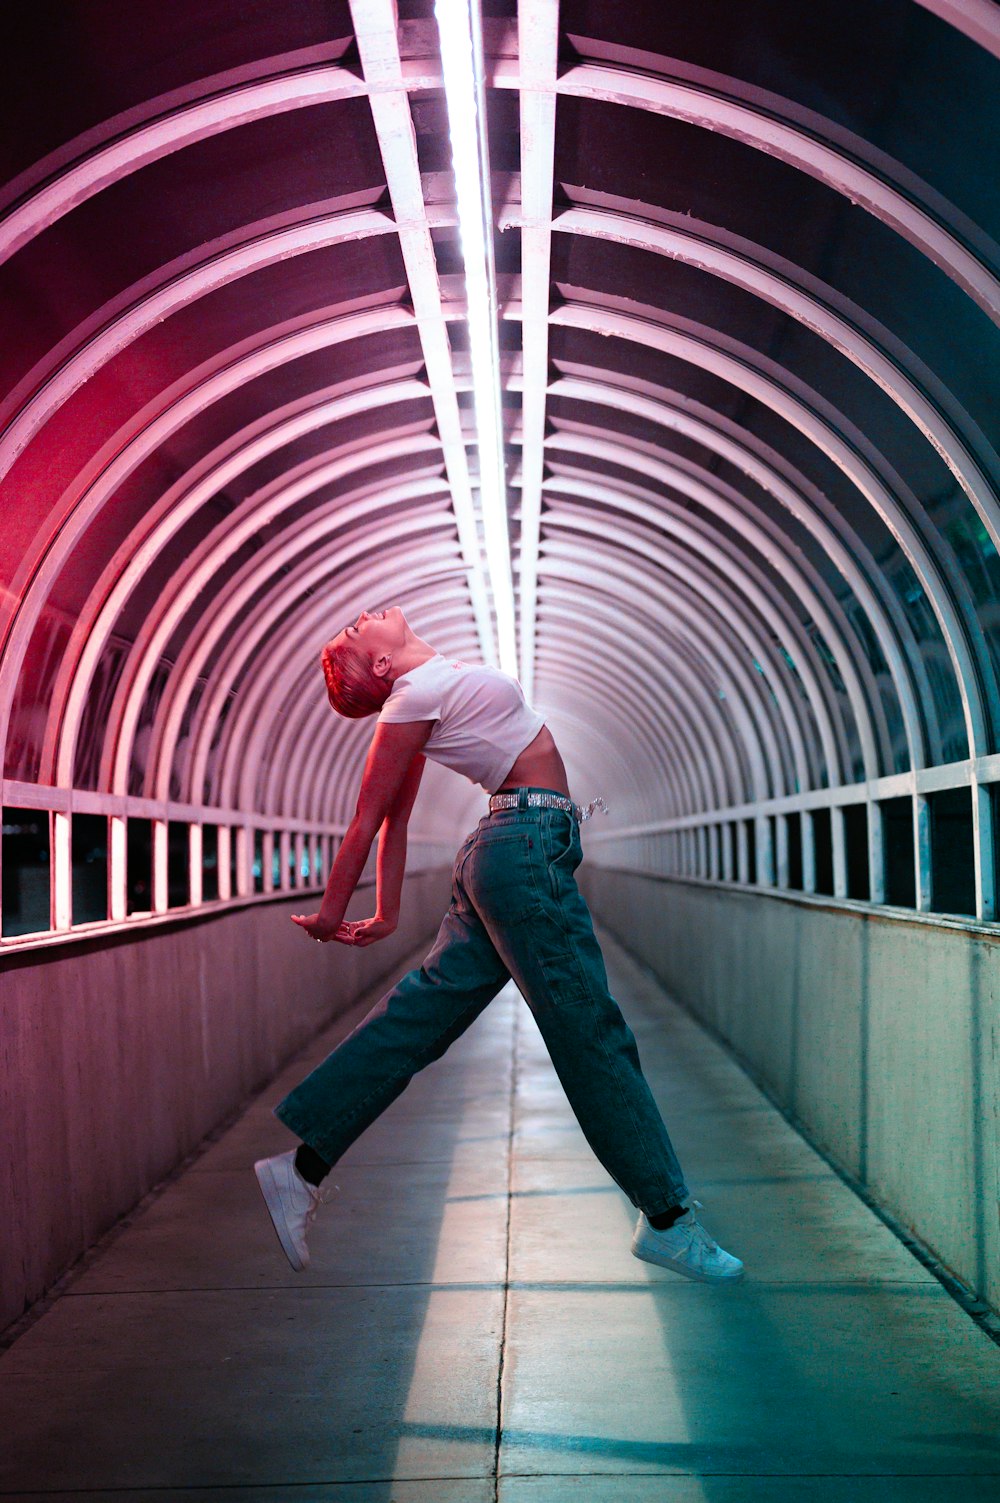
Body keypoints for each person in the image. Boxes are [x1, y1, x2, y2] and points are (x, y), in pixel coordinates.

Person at [254, 605, 743, 1283]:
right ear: (382, 664)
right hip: (524, 848)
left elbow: (399, 817)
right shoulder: (413, 695)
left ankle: (300, 1170)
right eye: (356, 630)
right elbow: (370, 817)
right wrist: (334, 912)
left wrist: (389, 912)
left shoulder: (430, 686)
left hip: (512, 846)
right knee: (590, 1033)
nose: (366, 615)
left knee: (420, 1018)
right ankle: (668, 1217)